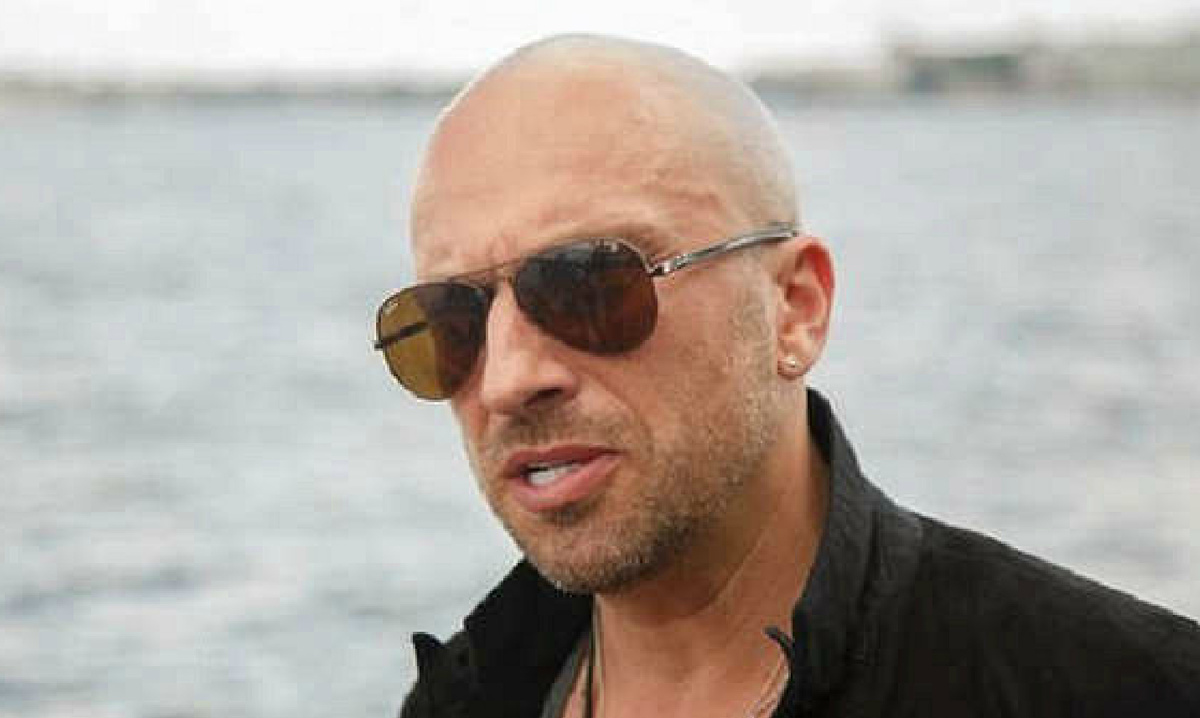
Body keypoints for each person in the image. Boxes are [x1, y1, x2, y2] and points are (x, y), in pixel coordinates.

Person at [374, 34, 1200, 718]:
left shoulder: (1122, 689)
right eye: (450, 322)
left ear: (795, 308)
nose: (508, 378)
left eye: (590, 284)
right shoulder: (463, 698)